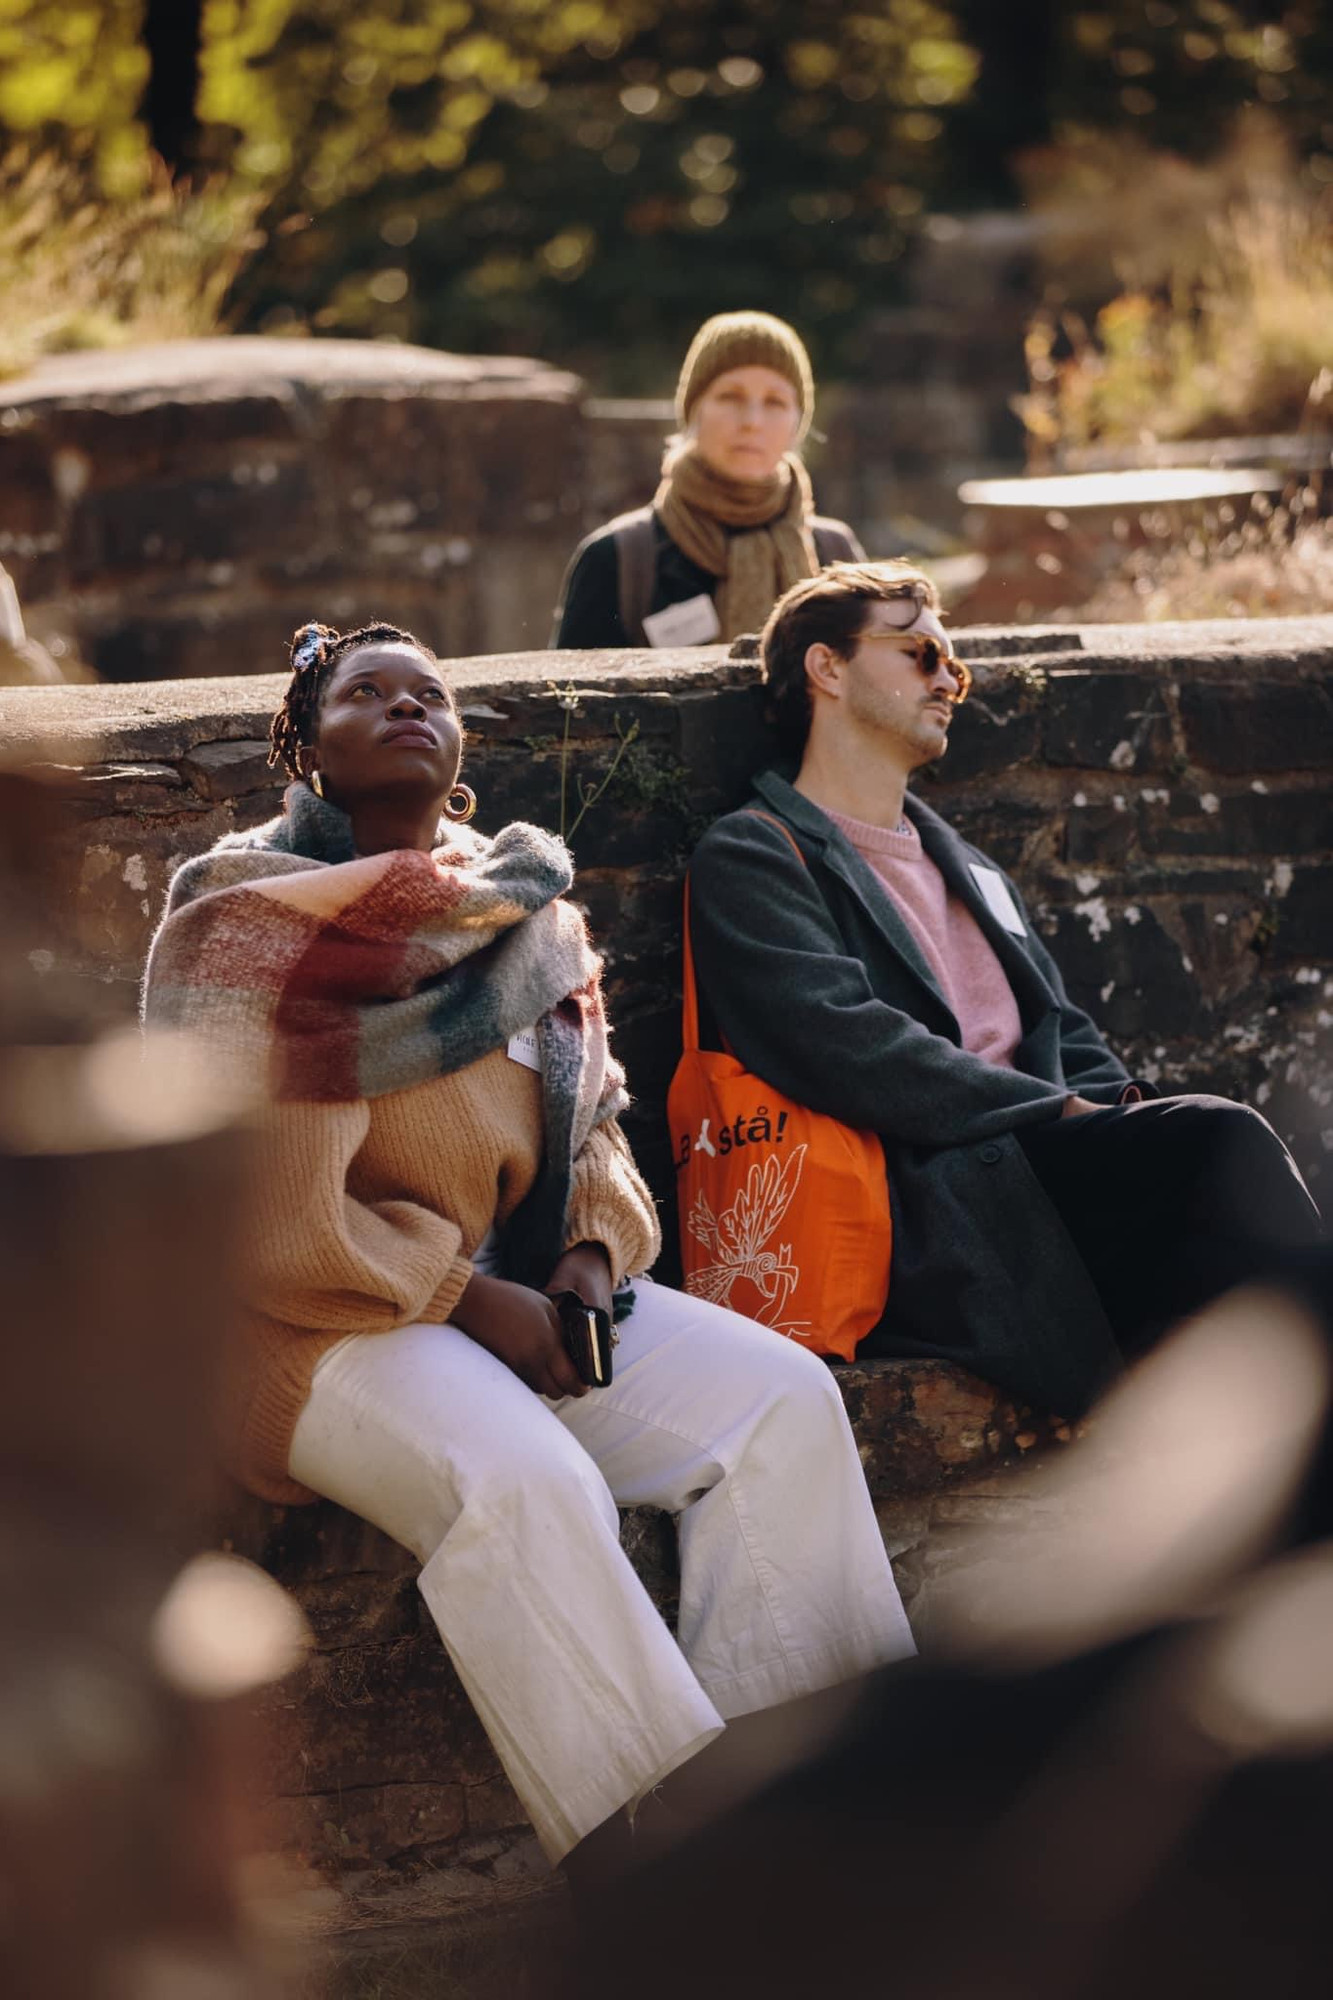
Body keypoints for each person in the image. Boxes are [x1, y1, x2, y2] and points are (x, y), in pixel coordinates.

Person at [142, 617, 914, 1891]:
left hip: (523, 1286)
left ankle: (825, 1831)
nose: (406, 705)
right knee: (525, 1478)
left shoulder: (521, 909)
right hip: (323, 1321)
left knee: (782, 1400)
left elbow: (595, 1120)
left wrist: (590, 1264)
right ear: (309, 745)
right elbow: (263, 1218)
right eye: (367, 692)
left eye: (429, 692)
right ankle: (679, 1891)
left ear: (460, 747)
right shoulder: (250, 926)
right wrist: (469, 1297)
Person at [686, 563, 1324, 1419]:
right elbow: (839, 1042)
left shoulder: (965, 863)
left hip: (1051, 1173)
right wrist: (1058, 1112)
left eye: (955, 665)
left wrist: (1119, 1115)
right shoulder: (754, 854)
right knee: (1221, 1143)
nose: (947, 681)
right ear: (825, 667)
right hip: (940, 1205)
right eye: (919, 653)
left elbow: (1061, 1024)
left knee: (1260, 1290)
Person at [553, 311, 863, 651]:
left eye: (775, 402)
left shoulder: (835, 554)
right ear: (694, 410)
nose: (752, 421)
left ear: (797, 423)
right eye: (731, 397)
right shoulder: (618, 559)